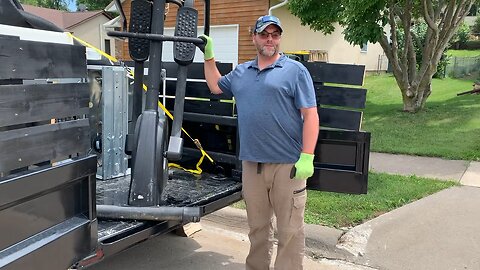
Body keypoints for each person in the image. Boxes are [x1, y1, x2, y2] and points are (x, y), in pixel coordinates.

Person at [201, 15, 319, 270]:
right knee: (257, 229)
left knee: (289, 231)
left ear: (279, 39)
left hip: (287, 166)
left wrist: (307, 155)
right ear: (254, 37)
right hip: (252, 165)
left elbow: (310, 114)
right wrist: (209, 56)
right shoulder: (242, 73)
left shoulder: (295, 71)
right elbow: (215, 85)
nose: (270, 39)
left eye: (275, 35)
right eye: (264, 34)